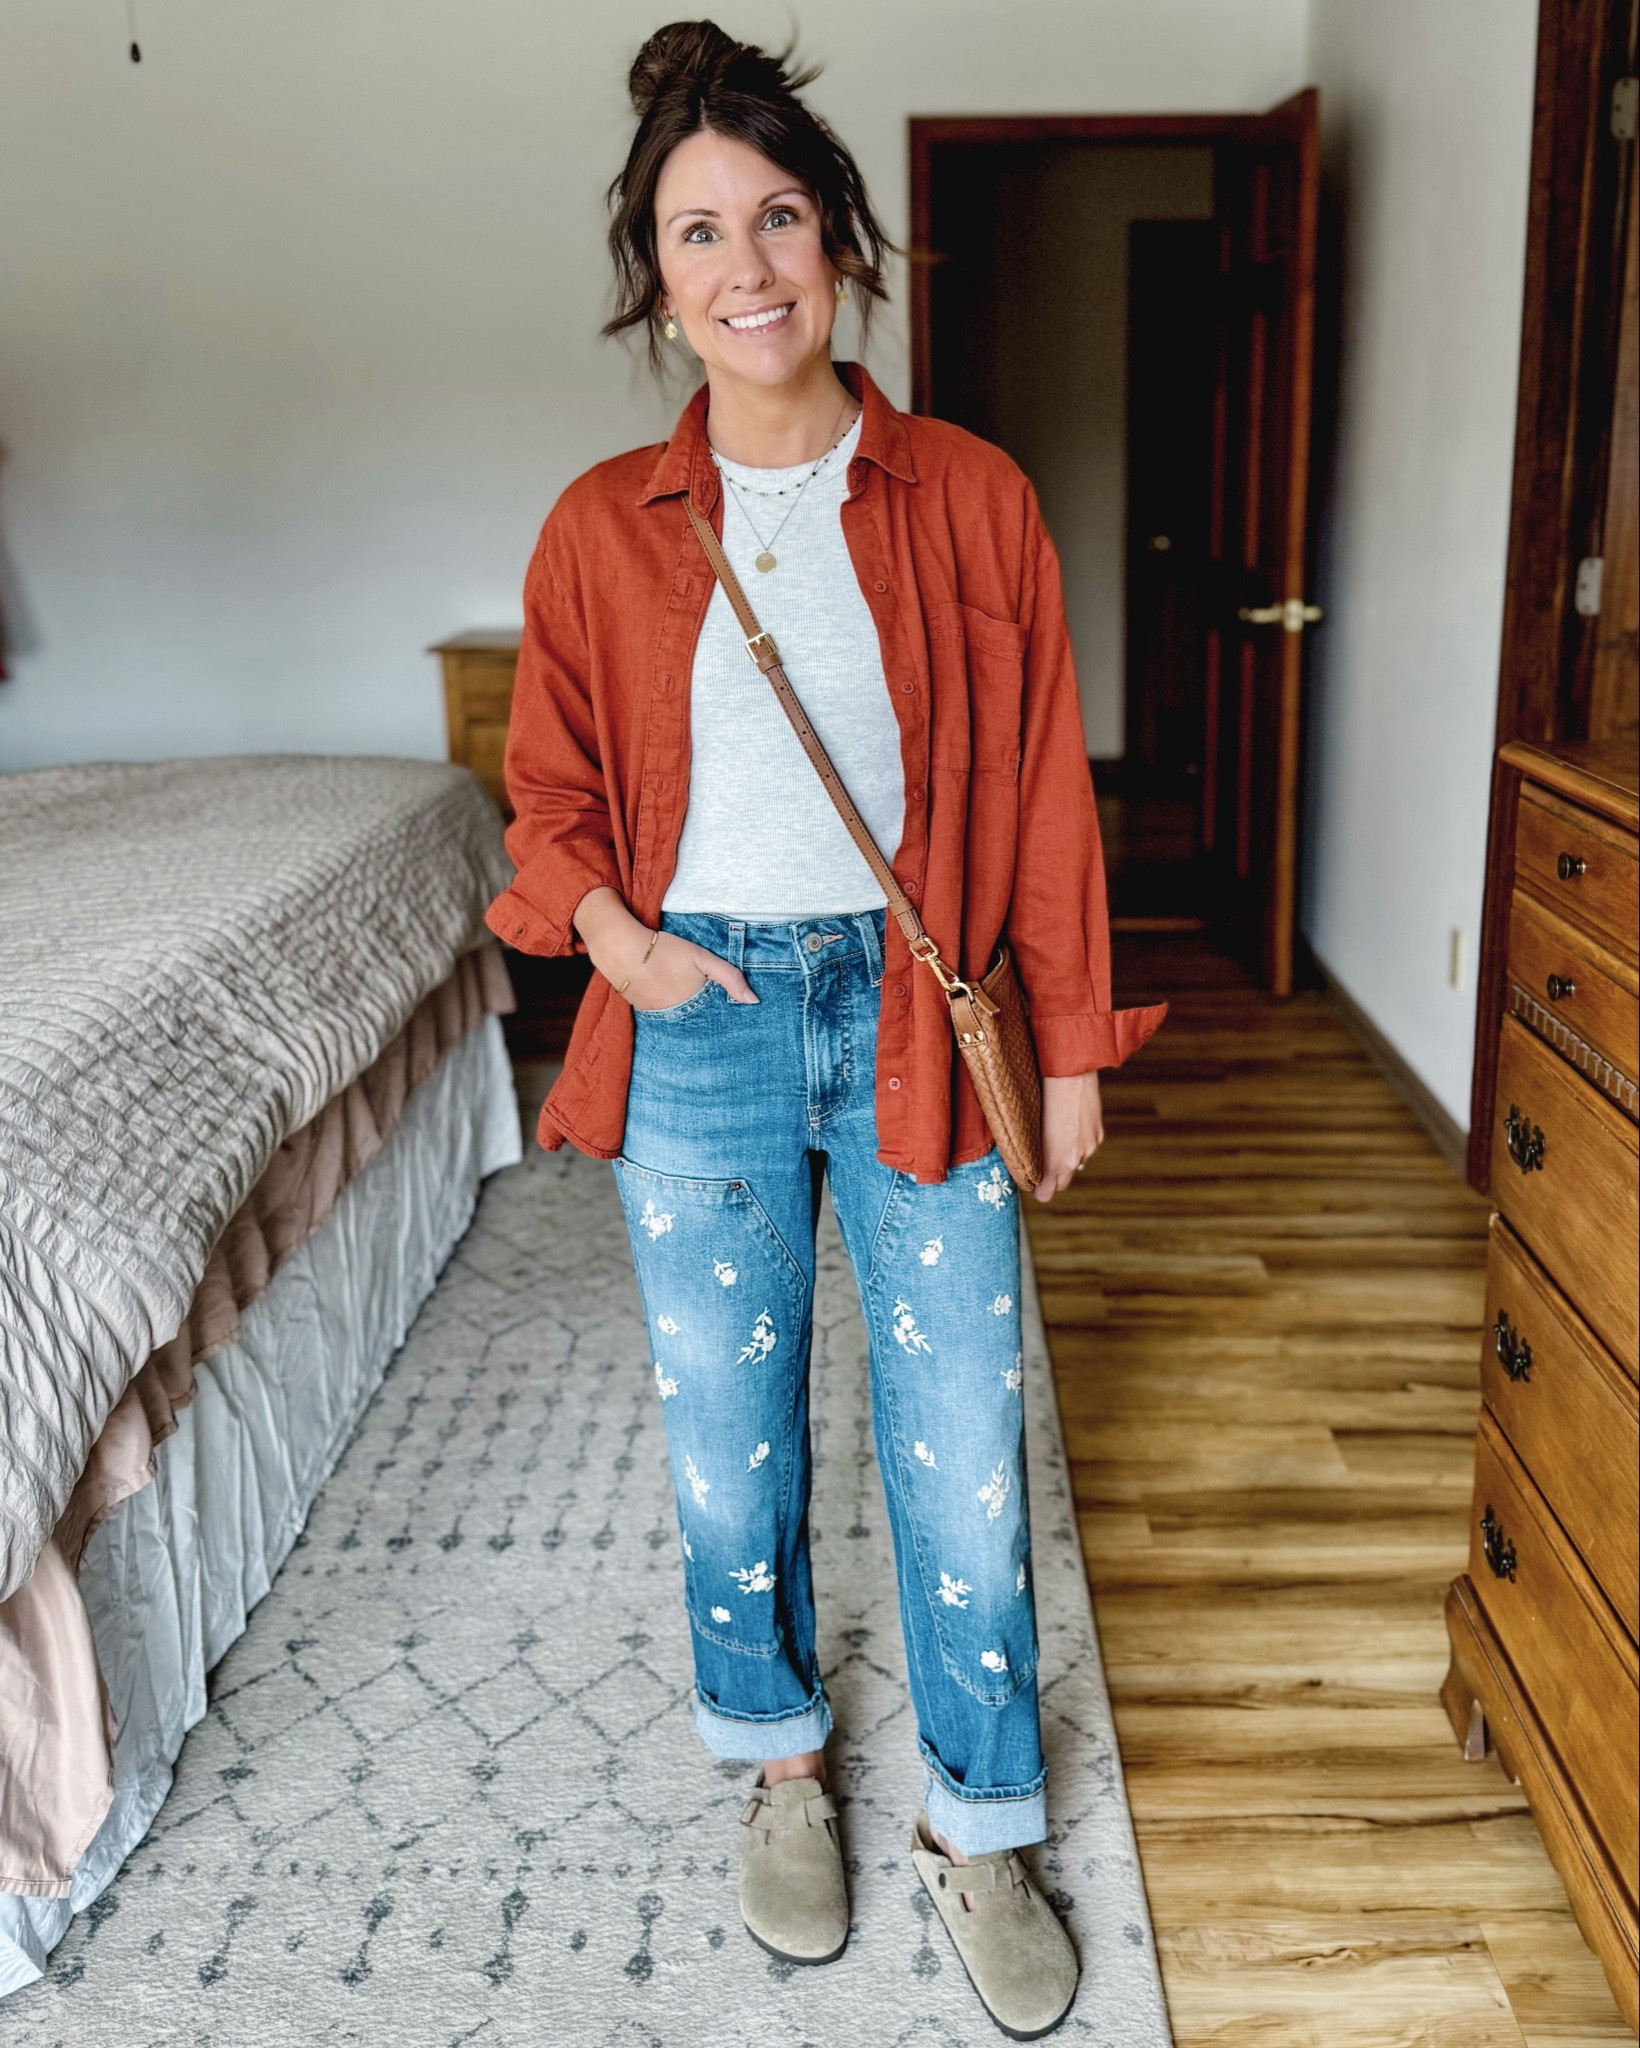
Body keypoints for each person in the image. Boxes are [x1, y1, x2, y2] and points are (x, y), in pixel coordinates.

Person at [486, 21, 1162, 2039]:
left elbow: (1042, 781)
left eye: (777, 213)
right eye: (698, 231)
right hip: (695, 1007)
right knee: (730, 1435)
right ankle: (781, 1765)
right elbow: (543, 794)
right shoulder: (604, 522)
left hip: (916, 1007)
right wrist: (610, 935)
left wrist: (1066, 1053)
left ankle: (983, 1819)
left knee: (961, 1436)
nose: (745, 262)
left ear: (839, 240)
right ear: (656, 275)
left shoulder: (966, 495)